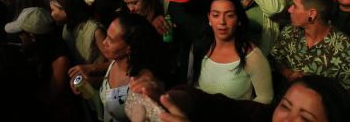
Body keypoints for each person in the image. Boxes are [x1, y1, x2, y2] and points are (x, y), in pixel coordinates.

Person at [129, 74, 350, 122]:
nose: (286, 120)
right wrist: (167, 98)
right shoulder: (260, 117)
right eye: (285, 106)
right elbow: (210, 103)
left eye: (305, 119)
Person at [189, 0, 273, 104]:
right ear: (209, 18)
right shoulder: (200, 47)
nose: (222, 22)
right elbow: (192, 84)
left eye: (229, 15)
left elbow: (265, 98)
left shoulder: (253, 56)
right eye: (215, 15)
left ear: (238, 20)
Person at [270, 0, 350, 90]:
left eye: (295, 6)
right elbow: (274, 59)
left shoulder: (344, 48)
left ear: (312, 14)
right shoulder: (289, 32)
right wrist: (287, 72)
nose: (290, 10)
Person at [100, 13, 170, 122]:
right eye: (106, 36)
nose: (104, 42)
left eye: (111, 40)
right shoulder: (116, 61)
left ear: (129, 48)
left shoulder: (141, 84)